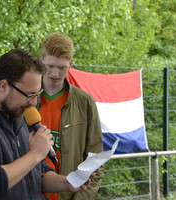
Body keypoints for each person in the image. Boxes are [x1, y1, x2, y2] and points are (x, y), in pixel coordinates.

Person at [0, 48, 94, 200]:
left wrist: (67, 183)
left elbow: (38, 174)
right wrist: (35, 154)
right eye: (29, 95)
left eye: (37, 94)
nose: (34, 103)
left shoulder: (20, 114)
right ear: (3, 86)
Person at [38, 32, 104, 200]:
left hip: (68, 195)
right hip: (29, 192)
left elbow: (95, 160)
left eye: (62, 68)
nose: (55, 73)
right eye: (50, 66)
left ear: (71, 64)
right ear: (40, 60)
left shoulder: (85, 102)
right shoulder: (24, 98)